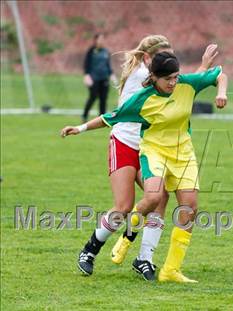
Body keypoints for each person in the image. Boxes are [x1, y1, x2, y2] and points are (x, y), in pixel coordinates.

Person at [61, 35, 219, 280]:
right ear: (148, 60)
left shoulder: (161, 76)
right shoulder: (140, 79)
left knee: (159, 198)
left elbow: (182, 85)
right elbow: (116, 114)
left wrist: (204, 69)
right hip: (125, 142)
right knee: (124, 205)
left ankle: (144, 258)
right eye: (162, 56)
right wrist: (81, 128)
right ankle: (90, 249)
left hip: (151, 147)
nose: (169, 64)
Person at [82, 33, 117, 122]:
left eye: (103, 39)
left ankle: (102, 119)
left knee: (103, 98)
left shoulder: (106, 51)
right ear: (96, 40)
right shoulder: (91, 51)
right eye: (100, 39)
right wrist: (87, 76)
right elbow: (86, 64)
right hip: (94, 79)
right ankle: (84, 115)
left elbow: (108, 65)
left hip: (104, 78)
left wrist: (112, 75)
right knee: (93, 97)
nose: (101, 41)